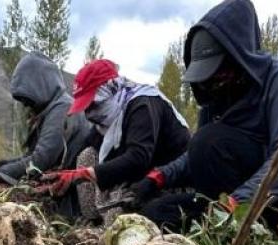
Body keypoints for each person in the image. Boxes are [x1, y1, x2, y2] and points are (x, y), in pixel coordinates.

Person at [133, 0, 278, 235]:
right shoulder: (216, 92)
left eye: (218, 72)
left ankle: (244, 229)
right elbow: (196, 154)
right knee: (155, 213)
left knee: (211, 142)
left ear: (240, 58)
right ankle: (227, 227)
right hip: (234, 200)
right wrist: (158, 177)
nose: (213, 82)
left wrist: (234, 204)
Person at [41, 59, 189, 219]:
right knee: (87, 155)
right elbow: (85, 147)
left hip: (167, 183)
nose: (89, 115)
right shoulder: (109, 118)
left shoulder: (143, 106)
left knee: (116, 212)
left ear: (109, 90)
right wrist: (60, 177)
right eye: (86, 109)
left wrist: (82, 175)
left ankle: (110, 229)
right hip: (139, 177)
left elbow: (138, 158)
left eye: (93, 106)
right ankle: (91, 219)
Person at [0, 52, 89, 186]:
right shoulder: (53, 108)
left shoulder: (63, 108)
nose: (26, 105)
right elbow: (31, 155)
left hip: (73, 194)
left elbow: (41, 159)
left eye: (28, 99)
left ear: (41, 86)